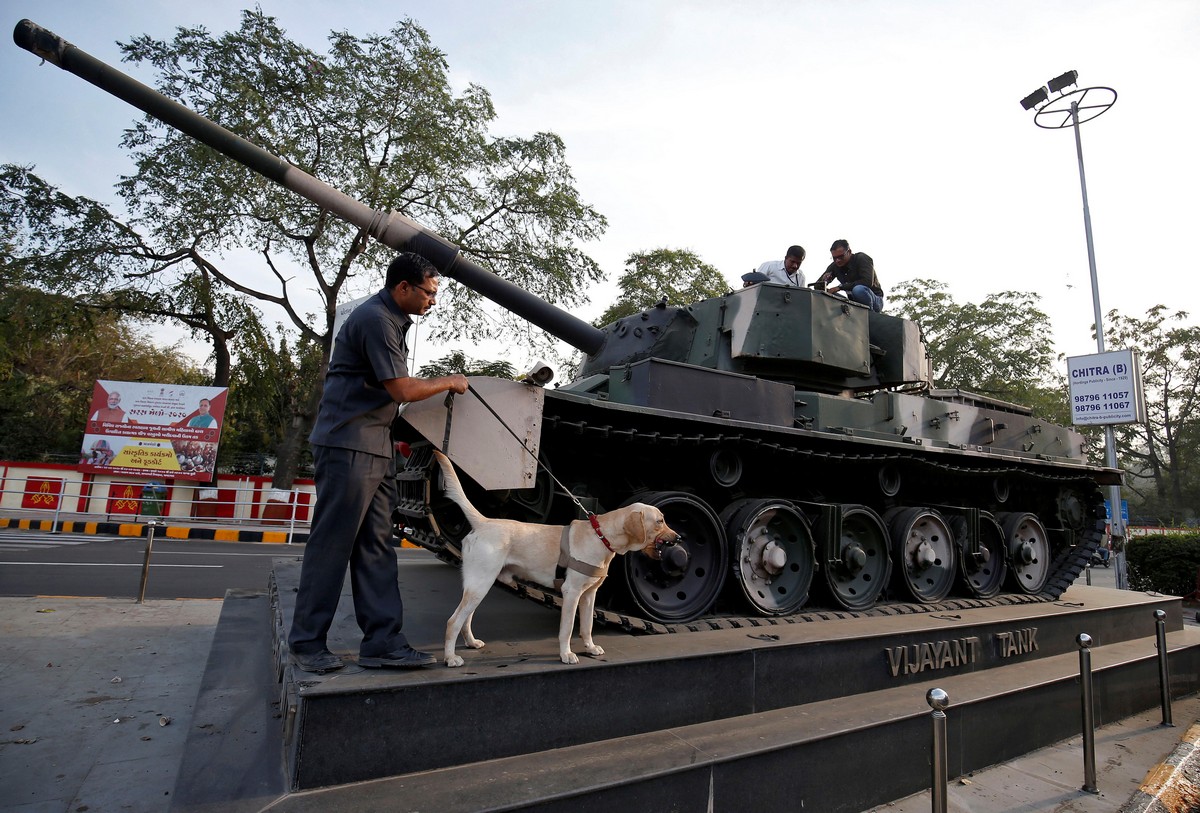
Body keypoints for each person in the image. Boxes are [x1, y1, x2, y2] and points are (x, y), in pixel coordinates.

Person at [288, 252, 469, 673]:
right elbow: (402, 389)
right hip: (349, 444)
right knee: (333, 546)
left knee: (376, 548)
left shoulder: (389, 320)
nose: (433, 301)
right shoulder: (376, 319)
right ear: (403, 287)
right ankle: (307, 643)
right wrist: (451, 381)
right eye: (429, 292)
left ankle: (383, 642)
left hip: (374, 445)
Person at [816, 239, 885, 312]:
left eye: (841, 257)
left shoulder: (861, 258)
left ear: (849, 252)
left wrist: (840, 287)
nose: (837, 260)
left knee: (858, 290)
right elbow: (817, 286)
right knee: (827, 294)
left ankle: (869, 316)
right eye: (834, 258)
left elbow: (867, 282)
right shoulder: (834, 266)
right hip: (852, 301)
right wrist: (823, 280)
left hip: (874, 300)